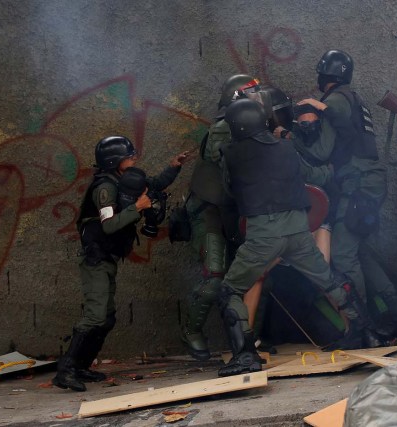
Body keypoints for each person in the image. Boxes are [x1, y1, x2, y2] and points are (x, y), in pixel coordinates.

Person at [216, 98, 380, 377]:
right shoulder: (287, 146)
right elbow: (309, 175)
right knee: (328, 279)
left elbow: (229, 191)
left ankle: (245, 355)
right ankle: (364, 332)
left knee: (230, 290)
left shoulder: (230, 153)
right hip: (299, 230)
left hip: (263, 235)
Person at [275, 50, 397, 337]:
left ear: (325, 75)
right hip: (367, 182)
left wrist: (290, 137)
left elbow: (320, 152)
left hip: (357, 183)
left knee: (342, 256)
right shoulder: (351, 97)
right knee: (359, 250)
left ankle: (363, 324)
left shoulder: (334, 101)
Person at [53, 136, 188, 392]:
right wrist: (137, 208)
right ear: (115, 161)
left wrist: (174, 166)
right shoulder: (105, 188)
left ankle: (82, 367)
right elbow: (109, 225)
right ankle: (66, 370)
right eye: (129, 156)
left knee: (107, 318)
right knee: (95, 317)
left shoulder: (126, 181)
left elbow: (154, 185)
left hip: (107, 258)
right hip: (96, 259)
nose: (134, 158)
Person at [181, 74, 264, 361]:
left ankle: (246, 339)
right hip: (210, 211)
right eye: (252, 93)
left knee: (245, 275)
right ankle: (191, 331)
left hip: (232, 212)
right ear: (238, 98)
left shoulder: (247, 126)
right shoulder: (223, 128)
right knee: (214, 275)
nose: (258, 99)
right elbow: (229, 168)